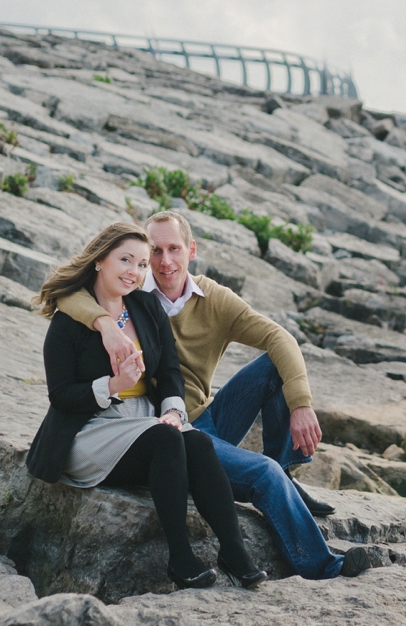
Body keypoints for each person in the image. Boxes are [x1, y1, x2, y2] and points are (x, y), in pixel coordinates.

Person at [57, 209, 364, 580]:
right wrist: (104, 323)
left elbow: (279, 336)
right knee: (262, 474)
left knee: (274, 366)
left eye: (174, 249)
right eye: (154, 251)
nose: (164, 261)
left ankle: (284, 471)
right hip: (165, 432)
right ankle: (322, 565)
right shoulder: (133, 292)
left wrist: (301, 404)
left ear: (192, 250)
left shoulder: (213, 298)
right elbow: (70, 296)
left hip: (210, 416)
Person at [26, 220, 265, 590]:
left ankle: (234, 553)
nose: (135, 272)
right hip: (89, 429)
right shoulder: (68, 322)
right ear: (100, 261)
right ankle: (181, 559)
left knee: (196, 442)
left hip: (144, 422)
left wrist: (172, 410)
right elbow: (60, 396)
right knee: (166, 440)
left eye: (141, 264)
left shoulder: (146, 306)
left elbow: (169, 369)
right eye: (126, 260)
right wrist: (113, 385)